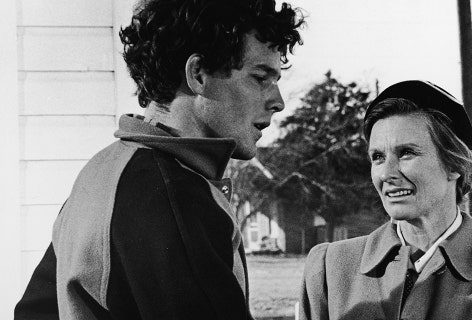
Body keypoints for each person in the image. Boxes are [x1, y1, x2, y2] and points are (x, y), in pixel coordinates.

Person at [15, 0, 304, 318]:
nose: (277, 101)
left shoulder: (100, 172)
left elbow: (33, 311)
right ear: (198, 74)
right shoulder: (175, 192)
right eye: (261, 78)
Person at [299, 80, 472, 320]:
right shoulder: (330, 269)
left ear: (454, 164)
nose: (387, 174)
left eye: (406, 153)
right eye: (377, 157)